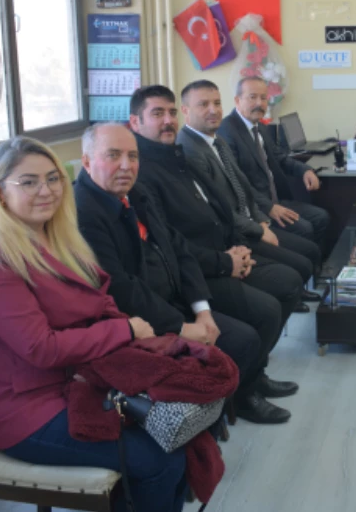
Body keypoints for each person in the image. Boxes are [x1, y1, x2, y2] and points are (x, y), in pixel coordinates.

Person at [0, 136, 188, 512]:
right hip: (26, 411)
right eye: (28, 182)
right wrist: (125, 330)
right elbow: (41, 348)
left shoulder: (56, 237)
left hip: (82, 381)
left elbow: (101, 296)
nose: (46, 190)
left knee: (179, 431)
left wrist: (125, 329)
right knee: (160, 459)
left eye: (53, 178)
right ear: (0, 192)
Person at [74, 124, 292, 424]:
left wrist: (202, 311)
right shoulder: (84, 213)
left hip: (176, 295)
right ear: (87, 161)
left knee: (262, 315)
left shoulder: (135, 193)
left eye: (132, 156)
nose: (126, 165)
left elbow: (178, 247)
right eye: (113, 155)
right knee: (243, 340)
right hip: (142, 320)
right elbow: (121, 289)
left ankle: (244, 389)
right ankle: (222, 409)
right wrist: (182, 327)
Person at [173, 81, 322, 310]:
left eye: (216, 103)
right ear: (185, 110)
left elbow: (242, 186)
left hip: (252, 220)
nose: (213, 110)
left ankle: (293, 296)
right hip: (234, 236)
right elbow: (219, 209)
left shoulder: (217, 140)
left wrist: (260, 219)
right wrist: (259, 229)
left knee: (308, 252)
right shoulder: (190, 149)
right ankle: (288, 299)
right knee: (296, 268)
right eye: (203, 104)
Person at [218, 76, 330, 252]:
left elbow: (280, 158)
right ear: (237, 100)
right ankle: (306, 267)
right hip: (256, 209)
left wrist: (305, 170)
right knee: (304, 228)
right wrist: (268, 207)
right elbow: (236, 182)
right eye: (252, 97)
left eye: (263, 98)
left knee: (321, 217)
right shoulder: (227, 131)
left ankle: (319, 266)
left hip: (276, 199)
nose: (259, 103)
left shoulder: (259, 126)